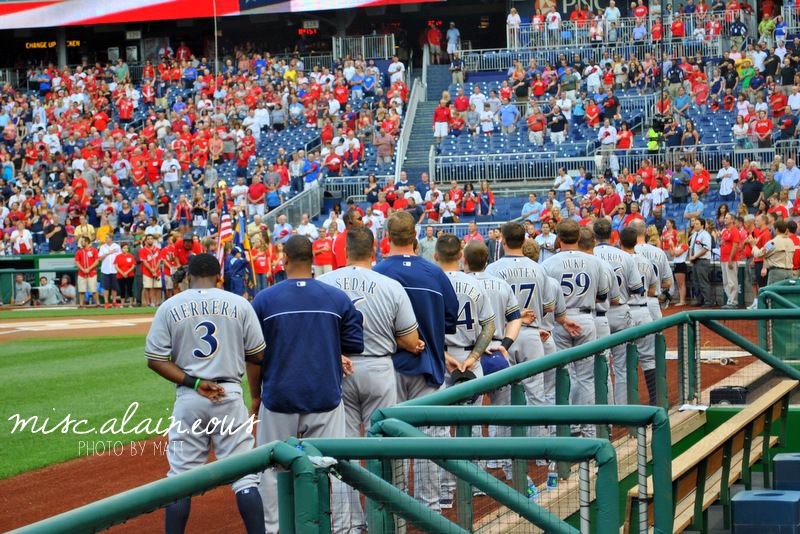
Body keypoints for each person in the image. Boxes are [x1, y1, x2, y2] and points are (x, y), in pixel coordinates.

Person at [144, 253, 267, 534]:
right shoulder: (239, 303)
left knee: (180, 479)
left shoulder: (169, 306)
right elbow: (258, 353)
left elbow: (155, 359)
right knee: (245, 478)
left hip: (190, 396)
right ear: (219, 277)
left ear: (188, 277)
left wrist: (196, 382)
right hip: (229, 394)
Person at [251, 236, 364, 533]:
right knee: (330, 466)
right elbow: (353, 344)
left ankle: (275, 529)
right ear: (313, 259)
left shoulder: (264, 299)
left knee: (272, 471)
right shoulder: (336, 297)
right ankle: (340, 528)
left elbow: (253, 356)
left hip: (278, 395)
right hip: (324, 394)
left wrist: (255, 395)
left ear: (284, 260)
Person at [318, 227, 422, 531]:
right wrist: (411, 343)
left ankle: (347, 525)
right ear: (374, 250)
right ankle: (388, 519)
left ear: (344, 251)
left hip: (338, 370)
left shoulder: (324, 282)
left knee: (342, 449)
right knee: (383, 446)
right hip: (378, 367)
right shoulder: (389, 284)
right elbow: (409, 337)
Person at [373, 211, 458, 513]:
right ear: (415, 236)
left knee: (389, 438)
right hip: (428, 365)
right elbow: (451, 319)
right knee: (428, 439)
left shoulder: (377, 273)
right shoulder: (434, 273)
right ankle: (431, 508)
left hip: (389, 366)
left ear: (387, 236)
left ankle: (396, 506)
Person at [486, 222, 580, 412]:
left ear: (503, 241)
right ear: (524, 240)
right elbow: (549, 307)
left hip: (502, 336)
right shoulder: (539, 269)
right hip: (532, 335)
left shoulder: (492, 269)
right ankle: (540, 441)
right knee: (536, 395)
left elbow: (489, 309)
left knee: (502, 399)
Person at [436, 233, 496, 507]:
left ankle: (446, 491)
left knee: (440, 429)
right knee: (470, 425)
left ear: (436, 256)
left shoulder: (433, 284)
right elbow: (489, 326)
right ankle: (473, 483)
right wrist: (473, 356)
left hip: (441, 359)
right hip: (472, 359)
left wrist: (447, 356)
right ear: (460, 256)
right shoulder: (474, 284)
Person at [542, 220, 609, 434]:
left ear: (558, 239)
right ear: (579, 238)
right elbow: (602, 296)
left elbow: (547, 303)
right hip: (587, 319)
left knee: (564, 373)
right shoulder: (594, 261)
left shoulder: (548, 264)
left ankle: (568, 426)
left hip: (559, 321)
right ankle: (588, 428)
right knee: (586, 376)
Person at [594, 219, 644, 405]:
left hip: (598, 315)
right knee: (622, 366)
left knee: (601, 364)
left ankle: (605, 409)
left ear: (594, 235)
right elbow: (638, 288)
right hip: (621, 311)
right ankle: (623, 410)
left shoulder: (591, 256)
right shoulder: (625, 256)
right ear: (612, 235)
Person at [753, 218, 796, 284]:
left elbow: (759, 254)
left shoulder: (772, 243)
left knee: (773, 293)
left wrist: (753, 246)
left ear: (776, 229)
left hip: (777, 273)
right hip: (790, 272)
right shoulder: (790, 241)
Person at [688, 217, 715, 306]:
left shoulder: (705, 235)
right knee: (696, 282)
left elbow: (706, 248)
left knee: (703, 282)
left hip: (703, 260)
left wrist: (694, 256)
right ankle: (699, 300)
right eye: (694, 223)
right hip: (696, 261)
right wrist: (690, 256)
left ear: (702, 225)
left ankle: (708, 301)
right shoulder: (695, 234)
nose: (695, 225)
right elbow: (691, 247)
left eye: (697, 224)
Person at [719, 213, 742, 308]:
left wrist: (730, 259)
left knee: (732, 281)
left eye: (727, 218)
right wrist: (721, 243)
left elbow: (735, 245)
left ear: (732, 220)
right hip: (723, 259)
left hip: (730, 259)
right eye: (724, 218)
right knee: (726, 281)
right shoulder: (725, 231)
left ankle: (733, 302)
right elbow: (722, 242)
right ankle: (730, 300)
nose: (725, 219)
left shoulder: (735, 231)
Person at [74, 236, 100, 307]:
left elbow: (97, 261)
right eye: (81, 241)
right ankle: (81, 304)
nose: (82, 243)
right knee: (82, 291)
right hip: (82, 273)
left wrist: (89, 268)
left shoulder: (94, 250)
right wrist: (83, 269)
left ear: (87, 242)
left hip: (92, 273)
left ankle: (98, 304)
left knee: (94, 290)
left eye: (83, 241)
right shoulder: (79, 251)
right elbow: (77, 262)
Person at [98, 234, 121, 308]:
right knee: (106, 287)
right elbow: (100, 258)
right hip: (105, 269)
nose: (105, 239)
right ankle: (106, 302)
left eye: (107, 238)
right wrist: (108, 253)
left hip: (114, 269)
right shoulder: (102, 247)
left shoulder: (117, 246)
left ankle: (114, 302)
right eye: (105, 238)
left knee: (114, 287)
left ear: (111, 238)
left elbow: (120, 257)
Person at [114, 243, 137, 307]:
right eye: (124, 248)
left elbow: (133, 266)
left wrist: (126, 273)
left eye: (126, 248)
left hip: (130, 275)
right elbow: (116, 266)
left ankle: (130, 304)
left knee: (130, 289)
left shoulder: (131, 256)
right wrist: (122, 273)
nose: (125, 249)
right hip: (120, 276)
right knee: (122, 289)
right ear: (121, 249)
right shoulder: (118, 256)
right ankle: (122, 304)